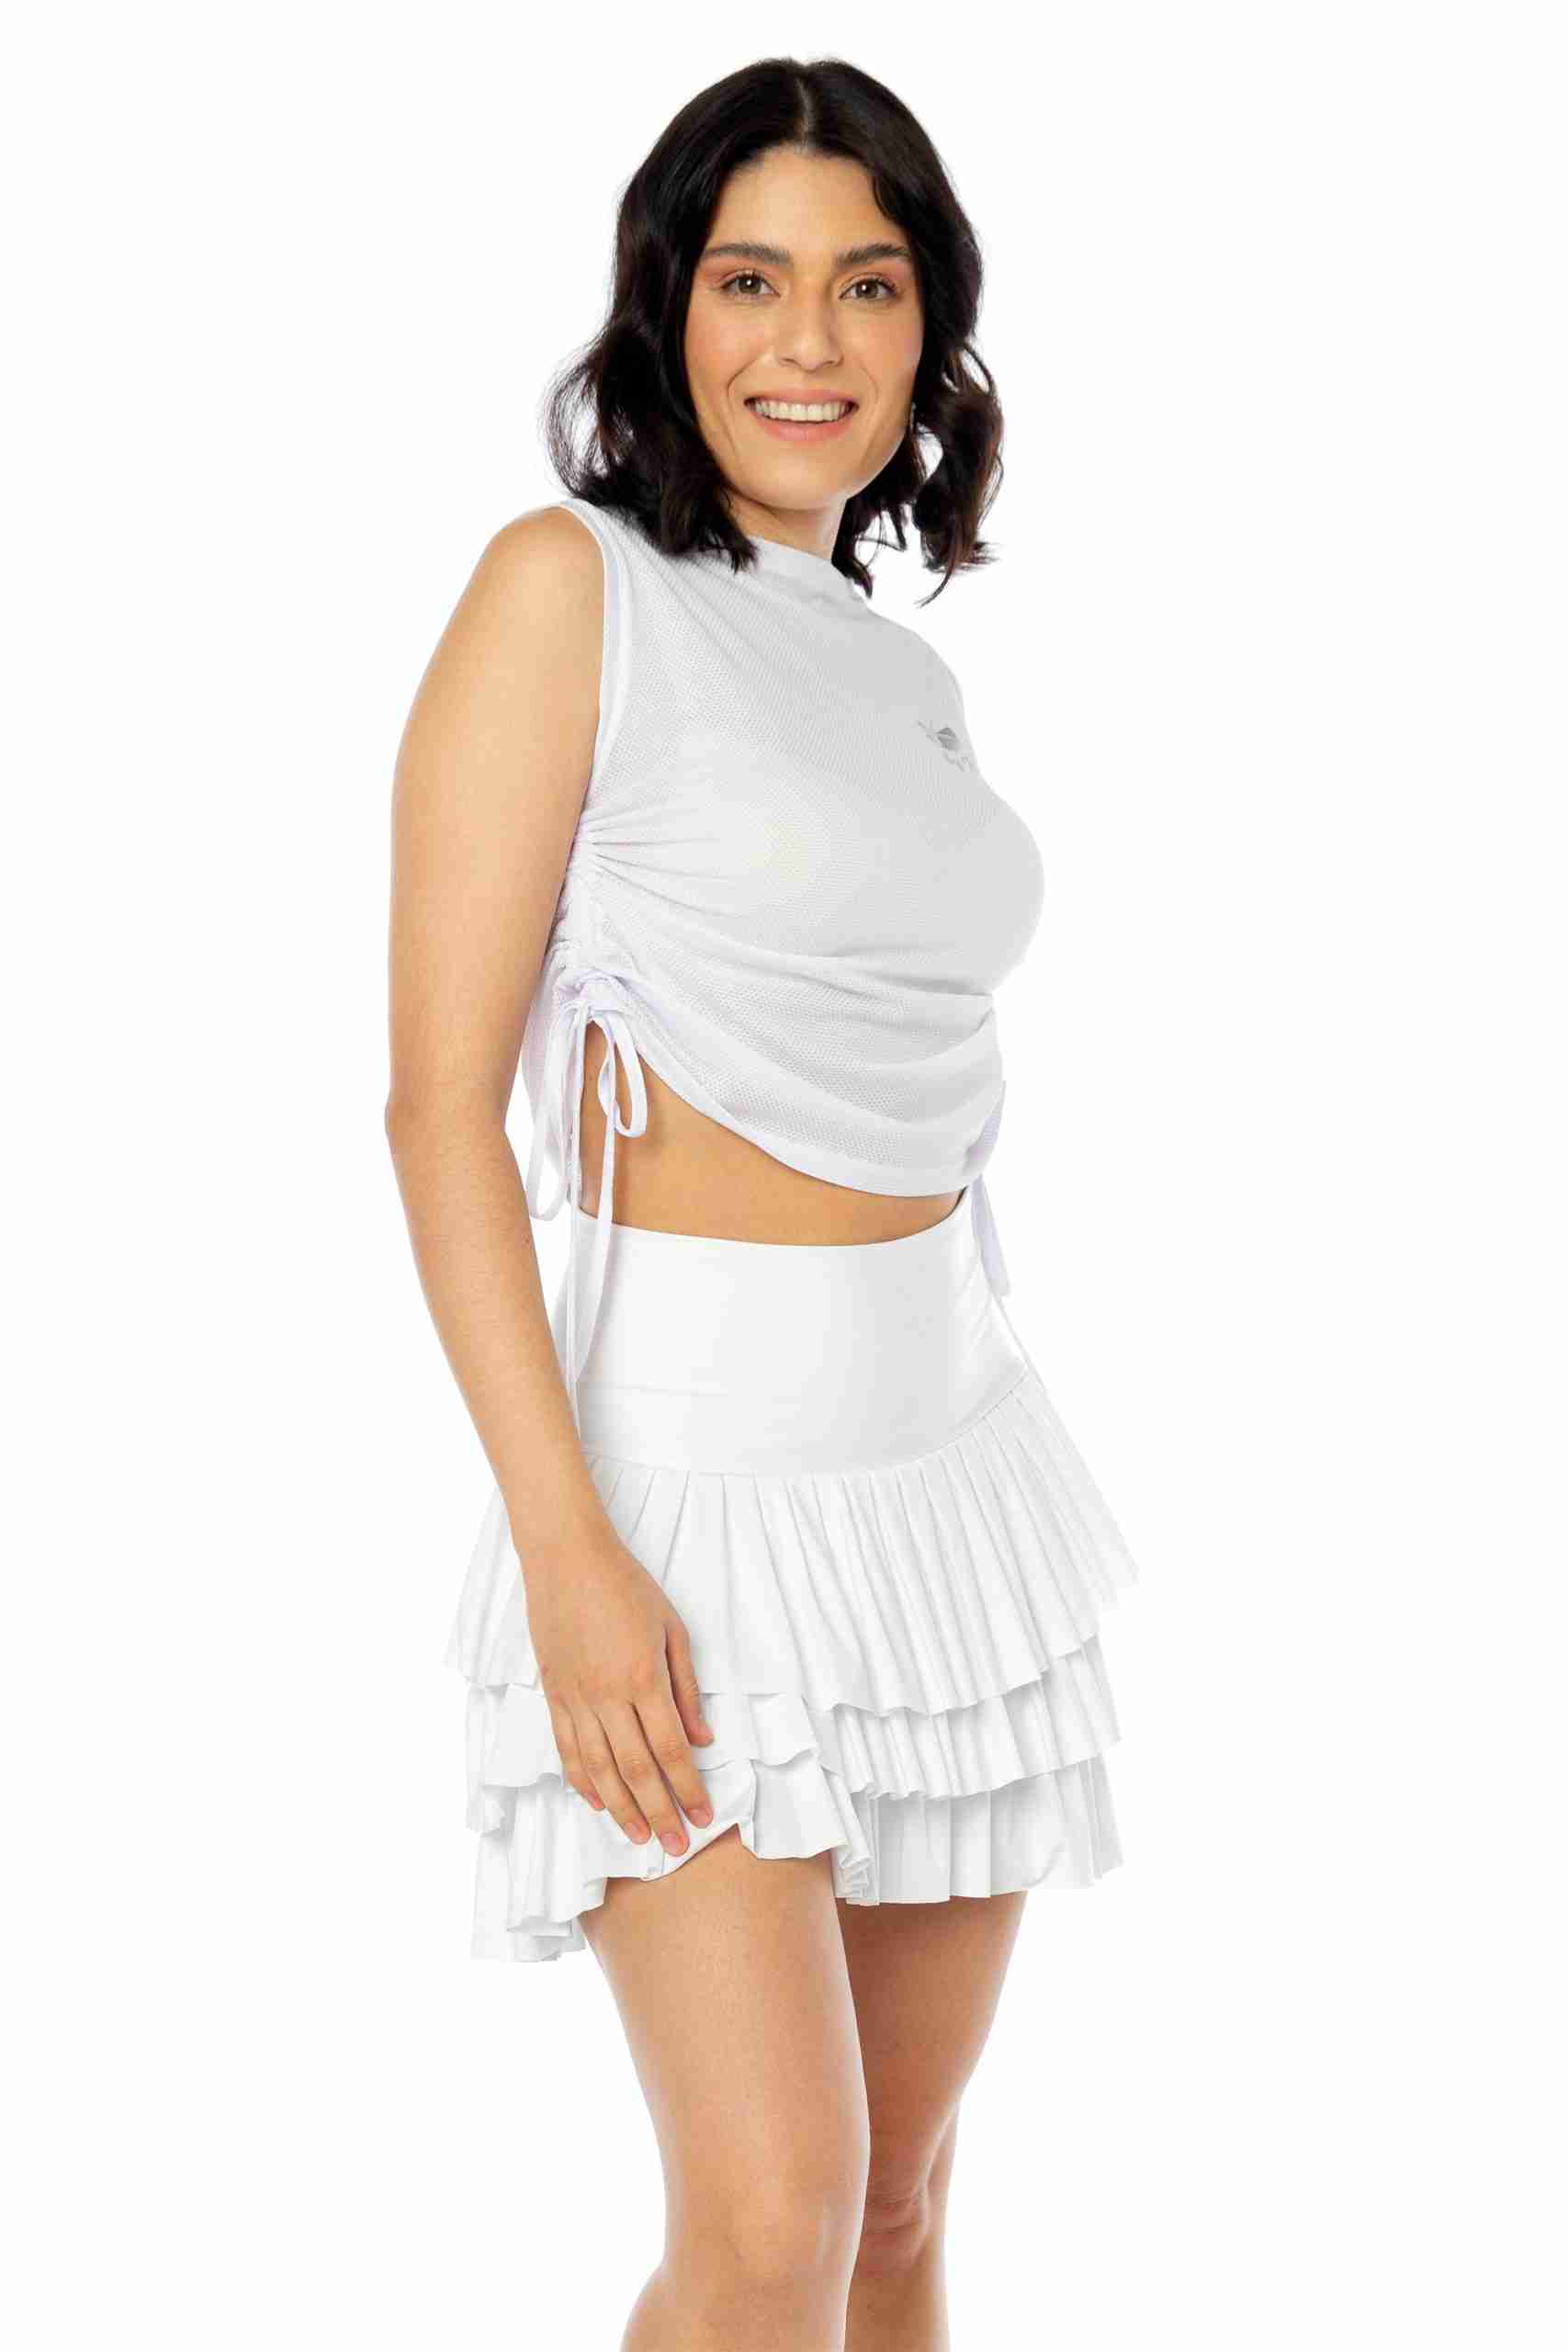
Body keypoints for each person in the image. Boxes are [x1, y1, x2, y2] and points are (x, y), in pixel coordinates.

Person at [386, 55, 1143, 2352]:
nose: (806, 339)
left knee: (893, 2204)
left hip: (947, 1476)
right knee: (769, 2213)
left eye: (865, 285)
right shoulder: (567, 590)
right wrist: (566, 1544)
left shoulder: (898, 673)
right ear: (665, 307)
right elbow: (437, 1110)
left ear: (927, 332)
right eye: (748, 280)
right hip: (683, 1492)